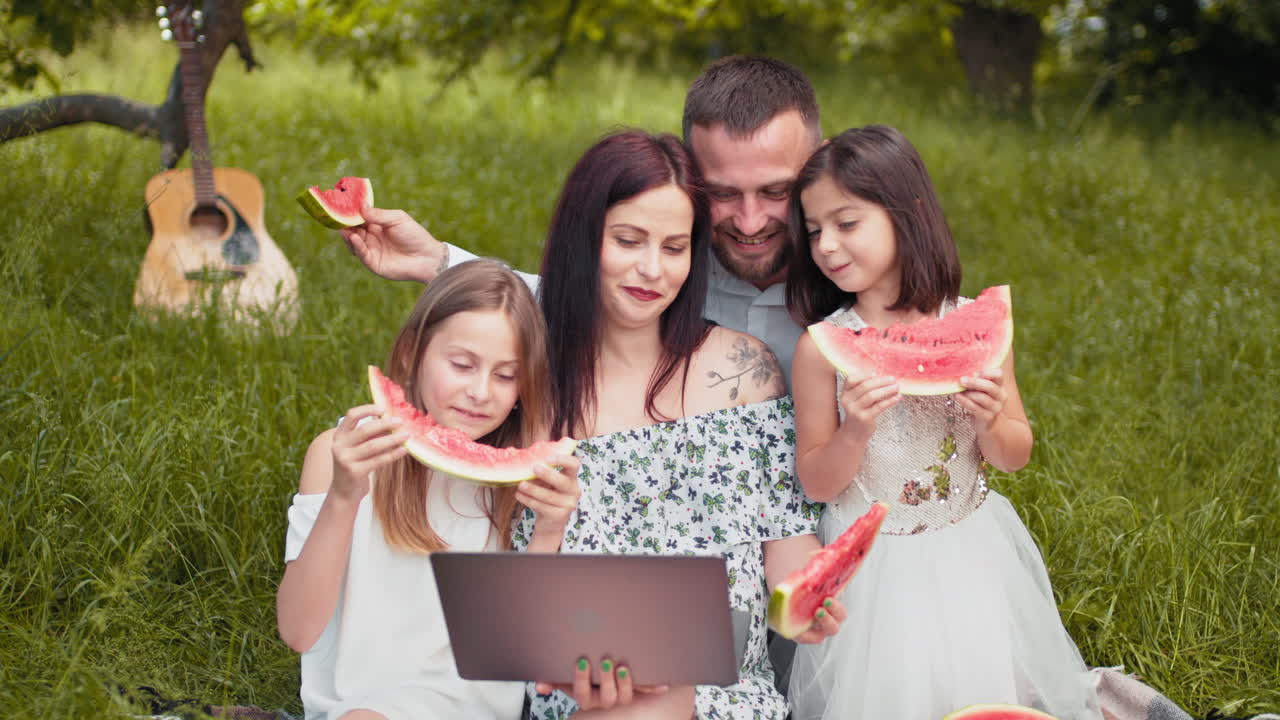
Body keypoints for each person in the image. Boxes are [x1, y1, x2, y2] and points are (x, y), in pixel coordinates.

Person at [497, 129, 840, 720]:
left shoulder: (744, 373)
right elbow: (507, 607)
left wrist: (808, 600)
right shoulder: (522, 386)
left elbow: (786, 543)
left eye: (676, 247)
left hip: (722, 695)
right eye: (628, 240)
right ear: (583, 240)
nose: (652, 269)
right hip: (576, 693)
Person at [784, 125, 1102, 720]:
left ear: (908, 215)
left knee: (979, 694)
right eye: (814, 230)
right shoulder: (820, 349)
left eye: (846, 223)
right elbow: (817, 484)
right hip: (874, 574)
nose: (826, 245)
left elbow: (1014, 454)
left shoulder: (976, 326)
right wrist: (854, 430)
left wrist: (988, 422)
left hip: (972, 554)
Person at [339, 55, 821, 386]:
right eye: (723, 194)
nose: (751, 221)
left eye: (777, 191)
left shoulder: (857, 264)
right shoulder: (673, 261)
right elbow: (565, 298)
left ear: (820, 163)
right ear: (690, 175)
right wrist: (438, 261)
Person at [276, 259, 583, 720]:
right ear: (410, 355)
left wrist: (548, 532)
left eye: (505, 375)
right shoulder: (338, 454)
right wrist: (343, 497)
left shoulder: (526, 480)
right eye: (462, 364)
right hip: (361, 710)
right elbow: (298, 630)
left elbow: (519, 650)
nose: (480, 391)